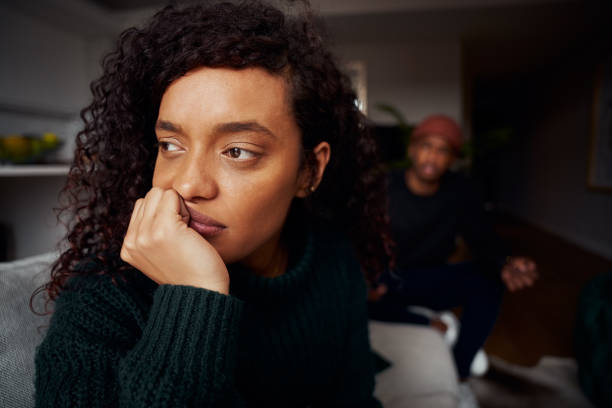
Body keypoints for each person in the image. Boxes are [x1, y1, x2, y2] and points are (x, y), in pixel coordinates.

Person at [32, 1, 393, 406]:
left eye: (237, 151)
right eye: (170, 145)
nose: (187, 184)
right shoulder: (104, 291)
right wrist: (194, 297)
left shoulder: (335, 265)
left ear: (309, 170)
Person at [368, 114, 538, 380]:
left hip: (430, 277)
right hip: (388, 278)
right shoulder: (382, 187)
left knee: (489, 279)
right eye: (426, 146)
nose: (432, 157)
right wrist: (366, 274)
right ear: (412, 149)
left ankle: (459, 369)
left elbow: (482, 239)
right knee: (353, 293)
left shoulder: (461, 191)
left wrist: (506, 262)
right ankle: (427, 322)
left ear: (452, 159)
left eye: (442, 150)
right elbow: (360, 238)